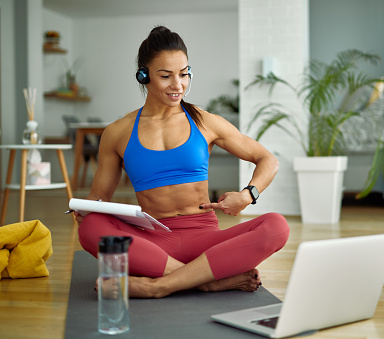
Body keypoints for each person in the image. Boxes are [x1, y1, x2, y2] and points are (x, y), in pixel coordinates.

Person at [76, 26, 290, 299]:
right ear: (144, 76)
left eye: (184, 73)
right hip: (152, 241)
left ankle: (158, 285)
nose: (178, 85)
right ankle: (206, 281)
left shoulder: (204, 121)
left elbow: (267, 159)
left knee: (277, 226)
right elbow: (99, 198)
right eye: (165, 76)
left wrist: (248, 195)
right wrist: (84, 210)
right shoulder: (118, 132)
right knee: (91, 226)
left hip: (206, 241)